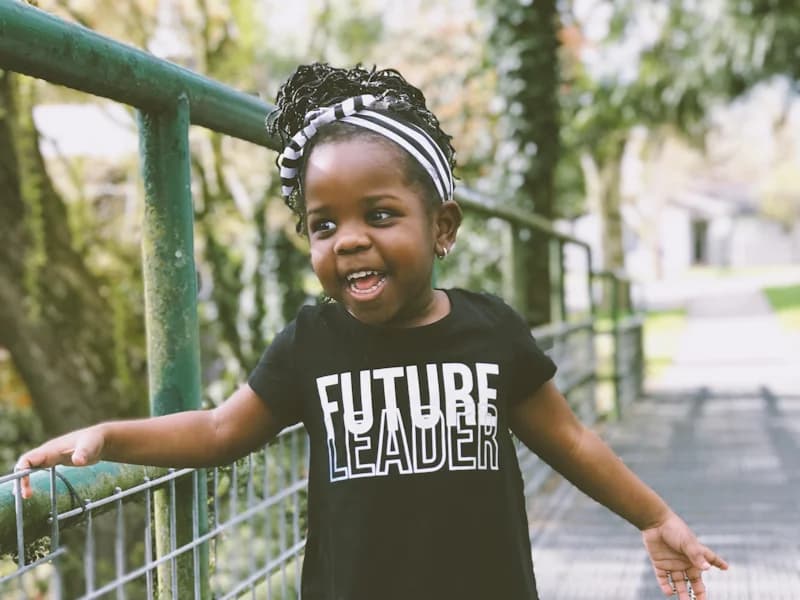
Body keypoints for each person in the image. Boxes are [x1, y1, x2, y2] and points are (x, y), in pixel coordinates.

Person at [16, 63, 727, 600]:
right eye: (324, 225)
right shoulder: (312, 342)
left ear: (441, 227)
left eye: (379, 215)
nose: (348, 241)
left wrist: (654, 516)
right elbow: (217, 432)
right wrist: (109, 437)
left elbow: (569, 439)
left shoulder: (491, 330)